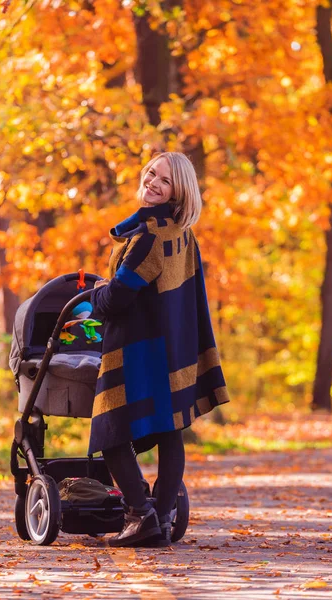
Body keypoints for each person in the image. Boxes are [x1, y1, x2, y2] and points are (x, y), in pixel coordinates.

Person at [89, 151, 230, 548]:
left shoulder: (151, 237)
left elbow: (117, 298)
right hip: (172, 346)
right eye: (151, 173)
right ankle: (163, 516)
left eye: (164, 180)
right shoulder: (181, 233)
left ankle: (141, 515)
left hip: (138, 350)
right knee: (170, 430)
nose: (152, 181)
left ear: (178, 191)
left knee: (110, 433)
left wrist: (96, 295)